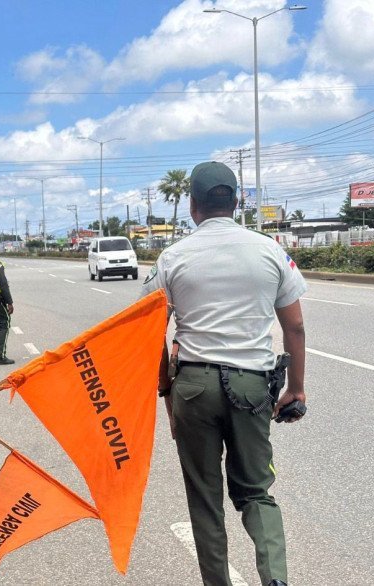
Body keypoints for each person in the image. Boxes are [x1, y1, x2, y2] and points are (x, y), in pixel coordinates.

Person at [141, 162, 307, 586]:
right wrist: (296, 389)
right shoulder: (270, 251)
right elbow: (295, 327)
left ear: (192, 205)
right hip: (252, 385)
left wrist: (166, 390)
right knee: (256, 492)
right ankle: (275, 579)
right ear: (235, 202)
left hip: (193, 387)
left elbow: (149, 332)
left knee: (205, 500)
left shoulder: (173, 257)